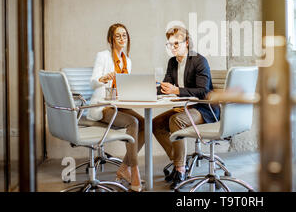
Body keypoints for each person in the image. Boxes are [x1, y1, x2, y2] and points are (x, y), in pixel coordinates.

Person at [152, 26, 219, 190]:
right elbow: (166, 86)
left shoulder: (199, 60)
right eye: (170, 44)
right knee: (156, 124)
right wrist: (153, 88)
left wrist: (177, 91)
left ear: (187, 42)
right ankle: (178, 162)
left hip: (203, 109)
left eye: (176, 44)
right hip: (183, 107)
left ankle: (180, 169)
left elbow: (203, 91)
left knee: (176, 121)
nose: (173, 48)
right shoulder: (172, 62)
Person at [88, 23, 145, 192]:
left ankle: (123, 168)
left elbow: (125, 87)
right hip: (103, 106)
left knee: (145, 124)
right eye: (118, 36)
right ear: (110, 39)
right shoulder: (103, 56)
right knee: (133, 122)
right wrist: (103, 79)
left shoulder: (128, 61)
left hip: (119, 104)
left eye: (125, 35)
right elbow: (92, 82)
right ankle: (134, 170)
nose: (122, 39)